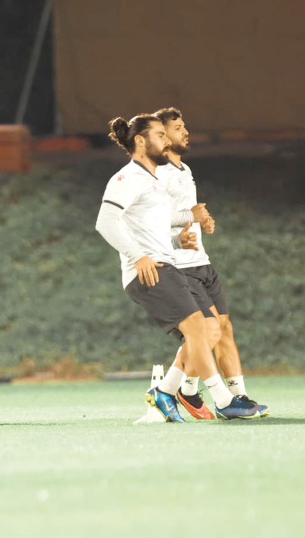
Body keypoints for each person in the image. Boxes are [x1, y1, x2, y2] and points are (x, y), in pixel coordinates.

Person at [95, 113, 262, 421]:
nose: (166, 140)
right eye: (160, 135)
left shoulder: (152, 180)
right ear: (142, 142)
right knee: (201, 329)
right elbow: (105, 222)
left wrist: (183, 231)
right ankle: (221, 400)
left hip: (166, 263)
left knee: (207, 329)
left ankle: (166, 392)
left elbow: (156, 222)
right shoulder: (126, 178)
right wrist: (137, 256)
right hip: (149, 269)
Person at [155, 107, 267, 418]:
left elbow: (187, 212)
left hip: (201, 261)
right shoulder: (160, 174)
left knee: (225, 328)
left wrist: (201, 221)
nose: (185, 132)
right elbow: (151, 220)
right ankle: (176, 388)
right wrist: (181, 233)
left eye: (184, 126)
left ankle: (239, 397)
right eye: (178, 128)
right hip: (181, 265)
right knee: (209, 332)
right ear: (162, 137)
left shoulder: (183, 170)